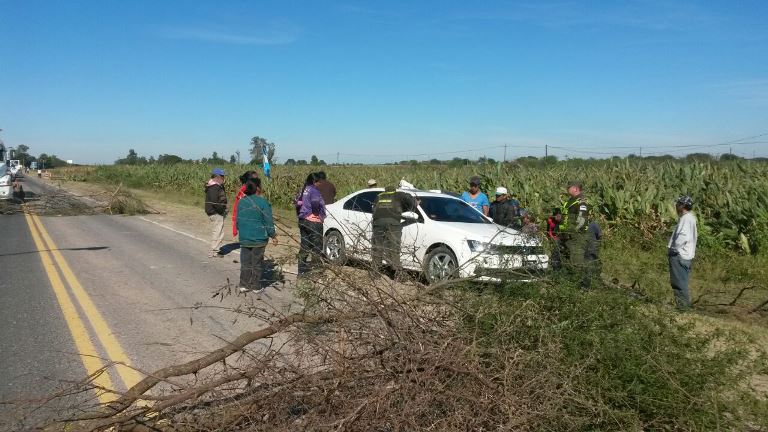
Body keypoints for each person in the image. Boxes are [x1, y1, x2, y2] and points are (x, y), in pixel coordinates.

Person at [236, 177, 278, 293]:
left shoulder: (241, 201)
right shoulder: (263, 202)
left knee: (245, 262)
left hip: (244, 238)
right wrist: (273, 235)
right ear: (258, 188)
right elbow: (268, 222)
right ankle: (255, 286)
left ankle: (244, 284)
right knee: (257, 263)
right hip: (259, 239)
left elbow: (238, 221)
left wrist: (242, 231)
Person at [371, 185, 416, 277]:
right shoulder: (399, 194)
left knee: (377, 248)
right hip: (393, 223)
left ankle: (375, 273)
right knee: (394, 248)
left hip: (378, 223)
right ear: (394, 190)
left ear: (386, 190)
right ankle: (397, 274)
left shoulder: (379, 196)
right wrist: (412, 206)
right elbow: (408, 198)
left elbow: (373, 209)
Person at [560, 181, 591, 289]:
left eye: (569, 187)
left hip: (577, 236)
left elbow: (581, 220)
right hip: (567, 235)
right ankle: (571, 283)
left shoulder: (581, 202)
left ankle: (583, 286)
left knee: (577, 261)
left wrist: (572, 230)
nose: (567, 189)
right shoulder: (570, 201)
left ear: (576, 189)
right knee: (568, 260)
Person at [668, 195, 697, 310]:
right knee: (682, 282)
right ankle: (684, 306)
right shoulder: (690, 218)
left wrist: (674, 249)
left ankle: (683, 308)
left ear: (683, 206)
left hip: (679, 255)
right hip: (685, 256)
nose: (676, 206)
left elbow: (682, 237)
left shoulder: (686, 219)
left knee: (678, 283)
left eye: (678, 204)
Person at [297, 173, 326, 276]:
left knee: (304, 247)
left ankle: (301, 272)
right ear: (314, 182)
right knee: (317, 248)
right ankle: (316, 272)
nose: (320, 184)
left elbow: (297, 203)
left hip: (303, 220)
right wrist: (317, 213)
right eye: (319, 182)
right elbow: (315, 202)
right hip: (313, 221)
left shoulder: (304, 189)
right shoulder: (314, 191)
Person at [204, 168, 227, 258]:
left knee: (218, 231)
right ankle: (214, 251)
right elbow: (215, 202)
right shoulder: (214, 187)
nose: (223, 178)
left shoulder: (213, 185)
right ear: (217, 177)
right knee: (218, 232)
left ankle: (215, 250)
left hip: (214, 212)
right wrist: (221, 210)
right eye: (222, 176)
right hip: (216, 212)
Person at [232, 171, 259, 238]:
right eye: (255, 179)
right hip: (247, 217)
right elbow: (239, 204)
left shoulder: (255, 188)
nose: (258, 180)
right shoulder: (245, 189)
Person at [583, 221, 603, 289]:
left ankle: (587, 286)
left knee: (590, 267)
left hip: (590, 249)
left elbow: (600, 236)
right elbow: (600, 236)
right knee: (589, 268)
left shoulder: (593, 224)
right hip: (589, 250)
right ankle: (588, 285)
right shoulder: (592, 224)